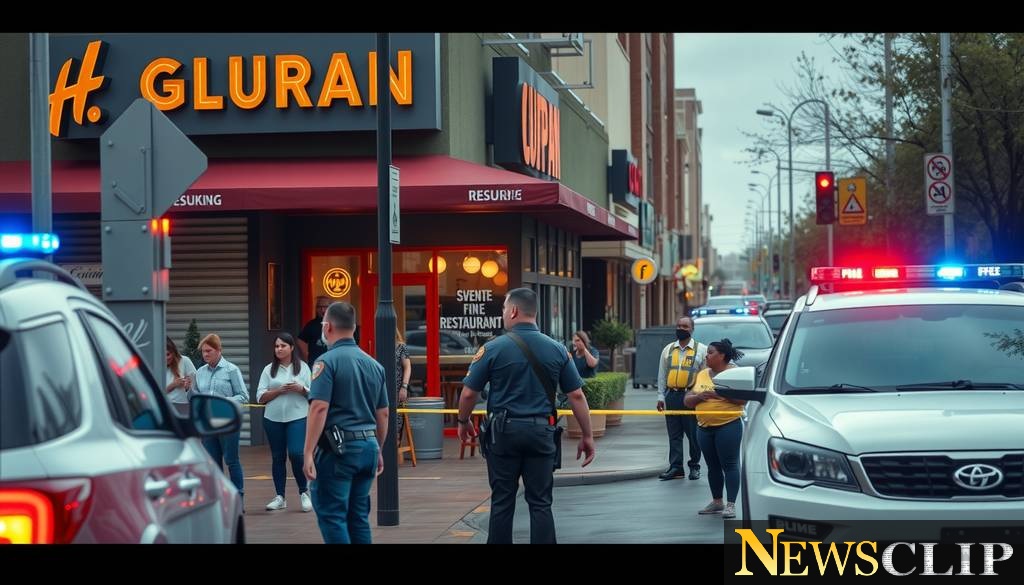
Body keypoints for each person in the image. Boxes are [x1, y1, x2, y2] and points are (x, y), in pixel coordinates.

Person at [457, 287, 596, 544]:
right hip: (541, 433)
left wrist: (463, 422)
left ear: (513, 311)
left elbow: (468, 394)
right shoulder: (557, 350)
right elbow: (576, 395)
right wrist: (587, 435)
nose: (503, 314)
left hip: (503, 434)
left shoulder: (492, 348)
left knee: (502, 501)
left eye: (503, 310)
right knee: (540, 502)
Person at [303, 301, 388, 544]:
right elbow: (383, 413)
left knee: (332, 514)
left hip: (338, 451)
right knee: (358, 516)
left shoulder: (326, 362)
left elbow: (318, 407)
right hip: (367, 447)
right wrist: (378, 448)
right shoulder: (374, 365)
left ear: (327, 327)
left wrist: (308, 452)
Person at [684, 339, 747, 519]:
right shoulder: (702, 374)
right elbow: (687, 400)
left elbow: (743, 400)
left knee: (730, 464)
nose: (706, 355)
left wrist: (721, 394)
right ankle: (717, 501)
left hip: (728, 425)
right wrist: (699, 397)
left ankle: (731, 504)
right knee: (712, 466)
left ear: (722, 356)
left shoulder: (735, 374)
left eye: (710, 352)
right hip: (704, 427)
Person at [256, 333, 313, 513]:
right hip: (273, 419)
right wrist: (278, 391)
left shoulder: (303, 368)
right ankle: (280, 496)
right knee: (277, 457)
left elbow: (313, 393)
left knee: (296, 454)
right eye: (277, 346)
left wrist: (300, 388)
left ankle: (304, 492)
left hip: (298, 417)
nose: (279, 349)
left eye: (283, 346)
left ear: (291, 348)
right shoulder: (268, 369)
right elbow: (259, 397)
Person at [194, 333, 248, 503]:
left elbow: (243, 396)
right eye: (203, 352)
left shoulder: (231, 370)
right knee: (213, 463)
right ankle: (218, 500)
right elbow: (196, 397)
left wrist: (223, 401)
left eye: (209, 351)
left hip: (227, 422)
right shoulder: (200, 372)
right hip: (208, 424)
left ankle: (238, 498)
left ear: (219, 350)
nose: (205, 355)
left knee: (231, 460)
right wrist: (190, 391)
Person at [656, 316, 706, 481]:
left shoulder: (701, 350)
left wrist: (700, 396)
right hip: (672, 396)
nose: (681, 328)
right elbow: (662, 375)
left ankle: (694, 467)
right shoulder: (668, 349)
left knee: (693, 435)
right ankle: (676, 468)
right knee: (674, 435)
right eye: (678, 325)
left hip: (690, 396)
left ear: (692, 329)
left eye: (684, 326)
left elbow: (705, 376)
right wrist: (660, 396)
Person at [164, 336, 196, 416]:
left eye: (168, 354)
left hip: (183, 406)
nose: (166, 358)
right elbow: (154, 393)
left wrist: (188, 386)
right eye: (163, 355)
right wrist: (173, 385)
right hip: (165, 406)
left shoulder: (184, 361)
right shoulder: (157, 365)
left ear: (173, 352)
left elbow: (196, 386)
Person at [297, 296, 331, 365]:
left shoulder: (336, 324)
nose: (322, 310)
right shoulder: (311, 325)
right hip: (315, 364)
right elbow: (300, 340)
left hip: (332, 363)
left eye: (325, 307)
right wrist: (307, 357)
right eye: (319, 307)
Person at [394, 327, 412, 441]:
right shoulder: (381, 345)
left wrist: (404, 386)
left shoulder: (401, 347)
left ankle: (396, 442)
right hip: (383, 387)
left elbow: (407, 367)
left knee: (397, 418)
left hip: (398, 387)